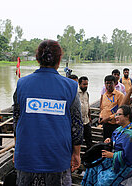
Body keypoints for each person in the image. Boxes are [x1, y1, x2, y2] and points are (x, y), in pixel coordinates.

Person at [12, 40, 83, 185]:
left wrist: (17, 148)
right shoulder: (71, 86)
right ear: (59, 60)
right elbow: (77, 125)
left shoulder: (22, 84)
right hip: (57, 158)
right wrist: (76, 154)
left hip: (27, 157)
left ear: (38, 59)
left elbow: (16, 121)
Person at [82, 105, 132, 185]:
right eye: (116, 114)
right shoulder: (119, 129)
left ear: (127, 116)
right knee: (92, 167)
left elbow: (130, 158)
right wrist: (110, 141)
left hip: (125, 166)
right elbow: (115, 142)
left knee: (103, 182)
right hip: (115, 160)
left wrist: (112, 155)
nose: (116, 117)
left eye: (119, 115)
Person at [99, 75, 124, 140]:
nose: (109, 85)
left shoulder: (120, 95)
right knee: (106, 143)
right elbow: (102, 108)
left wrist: (109, 118)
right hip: (105, 124)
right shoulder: (104, 95)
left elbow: (120, 112)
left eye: (111, 83)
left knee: (115, 143)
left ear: (115, 84)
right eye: (107, 83)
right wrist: (100, 116)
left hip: (115, 124)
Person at [78, 76, 92, 150]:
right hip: (78, 121)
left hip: (86, 121)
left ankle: (90, 156)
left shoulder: (87, 93)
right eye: (84, 84)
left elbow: (88, 105)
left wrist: (89, 117)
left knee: (89, 139)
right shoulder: (76, 93)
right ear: (79, 84)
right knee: (77, 140)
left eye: (87, 84)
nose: (86, 86)